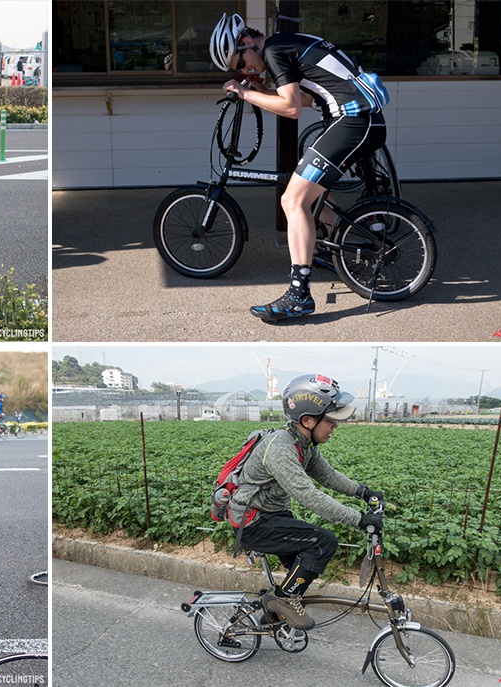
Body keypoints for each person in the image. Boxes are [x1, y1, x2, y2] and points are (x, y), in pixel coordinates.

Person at [210, 13, 389, 322]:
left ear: (248, 42)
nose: (245, 69)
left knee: (292, 200)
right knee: (310, 194)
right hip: (357, 120)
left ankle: (299, 295)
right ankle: (349, 250)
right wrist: (261, 91)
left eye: (240, 63)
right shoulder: (283, 45)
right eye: (238, 70)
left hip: (354, 121)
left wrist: (245, 92)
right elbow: (306, 99)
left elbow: (291, 108)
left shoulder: (274, 50)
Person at [226, 373, 382, 631]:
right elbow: (308, 495)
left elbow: (327, 476)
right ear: (308, 420)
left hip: (273, 516)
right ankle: (282, 600)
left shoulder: (304, 443)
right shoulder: (280, 448)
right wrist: (360, 519)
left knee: (302, 568)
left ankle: (274, 615)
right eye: (331, 420)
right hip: (252, 522)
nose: (335, 426)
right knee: (323, 543)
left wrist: (364, 492)